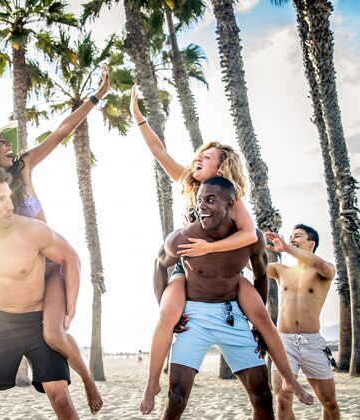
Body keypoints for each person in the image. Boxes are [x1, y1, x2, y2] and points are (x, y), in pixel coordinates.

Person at [0, 67, 109, 414]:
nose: (9, 145)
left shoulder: (25, 167)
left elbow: (60, 133)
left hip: (47, 267)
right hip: (12, 276)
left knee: (53, 335)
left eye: (6, 140)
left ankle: (88, 380)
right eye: (1, 142)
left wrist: (94, 98)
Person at [130, 88, 313, 414]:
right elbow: (159, 152)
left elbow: (247, 235)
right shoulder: (189, 183)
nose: (199, 158)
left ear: (222, 167)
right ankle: (152, 382)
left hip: (228, 272)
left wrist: (209, 245)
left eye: (207, 156)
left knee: (259, 316)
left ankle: (290, 378)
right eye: (200, 154)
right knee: (168, 312)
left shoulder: (235, 202)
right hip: (186, 270)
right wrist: (139, 117)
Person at [0, 165, 80, 419]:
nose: (10, 205)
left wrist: (71, 306)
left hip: (37, 318)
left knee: (60, 396)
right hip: (1, 322)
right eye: (0, 199)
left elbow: (70, 257)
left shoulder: (32, 231)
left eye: (9, 196)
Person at [155, 177, 277, 419]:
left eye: (210, 199)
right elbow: (160, 264)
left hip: (231, 312)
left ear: (230, 203)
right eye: (200, 200)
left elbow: (262, 277)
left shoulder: (251, 239)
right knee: (176, 397)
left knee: (262, 395)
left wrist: (257, 324)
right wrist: (168, 313)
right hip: (194, 316)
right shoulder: (184, 238)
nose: (202, 205)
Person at [266, 225, 340, 419]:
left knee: (329, 403)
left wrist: (286, 247)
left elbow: (320, 264)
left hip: (312, 342)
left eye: (297, 236)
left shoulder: (325, 270)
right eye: (290, 236)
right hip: (284, 342)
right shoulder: (280, 270)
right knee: (282, 400)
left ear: (311, 244)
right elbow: (251, 264)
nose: (291, 239)